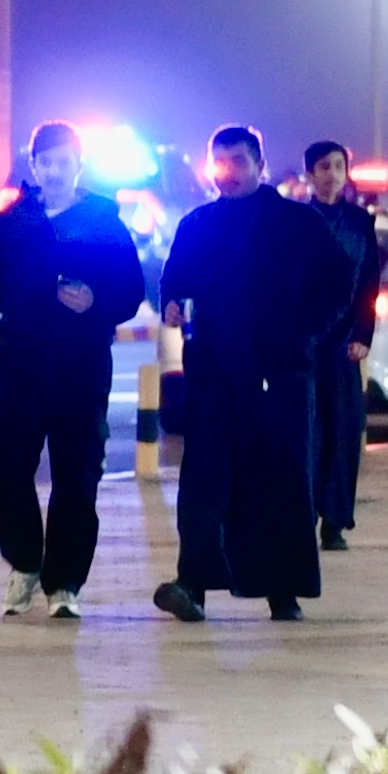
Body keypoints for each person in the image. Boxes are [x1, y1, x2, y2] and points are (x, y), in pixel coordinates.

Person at [155, 124, 350, 623]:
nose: (229, 173)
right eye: (220, 163)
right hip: (214, 377)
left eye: (239, 161)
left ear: (260, 165)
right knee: (205, 481)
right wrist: (173, 304)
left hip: (280, 377)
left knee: (281, 482)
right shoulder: (198, 225)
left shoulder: (297, 223)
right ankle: (192, 584)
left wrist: (303, 333)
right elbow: (174, 279)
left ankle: (282, 590)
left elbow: (337, 283)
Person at [0, 119, 145, 619]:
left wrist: (96, 302)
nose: (55, 171)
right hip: (20, 362)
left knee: (77, 475)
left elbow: (132, 289)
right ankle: (24, 560)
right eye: (46, 162)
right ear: (33, 166)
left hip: (82, 366)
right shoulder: (11, 223)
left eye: (64, 162)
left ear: (78, 165)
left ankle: (65, 583)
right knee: (6, 467)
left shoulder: (103, 221)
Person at [301, 140, 385, 553]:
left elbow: (370, 281)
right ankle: (303, 513)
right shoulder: (295, 220)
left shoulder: (359, 221)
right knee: (306, 431)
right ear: (309, 174)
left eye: (338, 166)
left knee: (343, 431)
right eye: (323, 167)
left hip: (344, 343)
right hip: (302, 342)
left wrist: (363, 334)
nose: (332, 174)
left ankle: (334, 521)